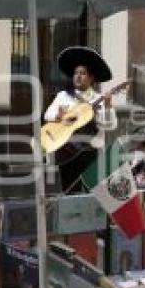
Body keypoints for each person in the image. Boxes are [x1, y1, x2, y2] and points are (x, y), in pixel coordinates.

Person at [43, 46, 117, 194]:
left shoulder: (99, 99)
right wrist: (58, 117)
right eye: (76, 73)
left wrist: (108, 106)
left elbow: (110, 125)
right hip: (67, 151)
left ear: (91, 78)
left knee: (94, 193)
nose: (78, 76)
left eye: (82, 73)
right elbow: (47, 115)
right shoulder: (63, 95)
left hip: (90, 153)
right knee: (70, 192)